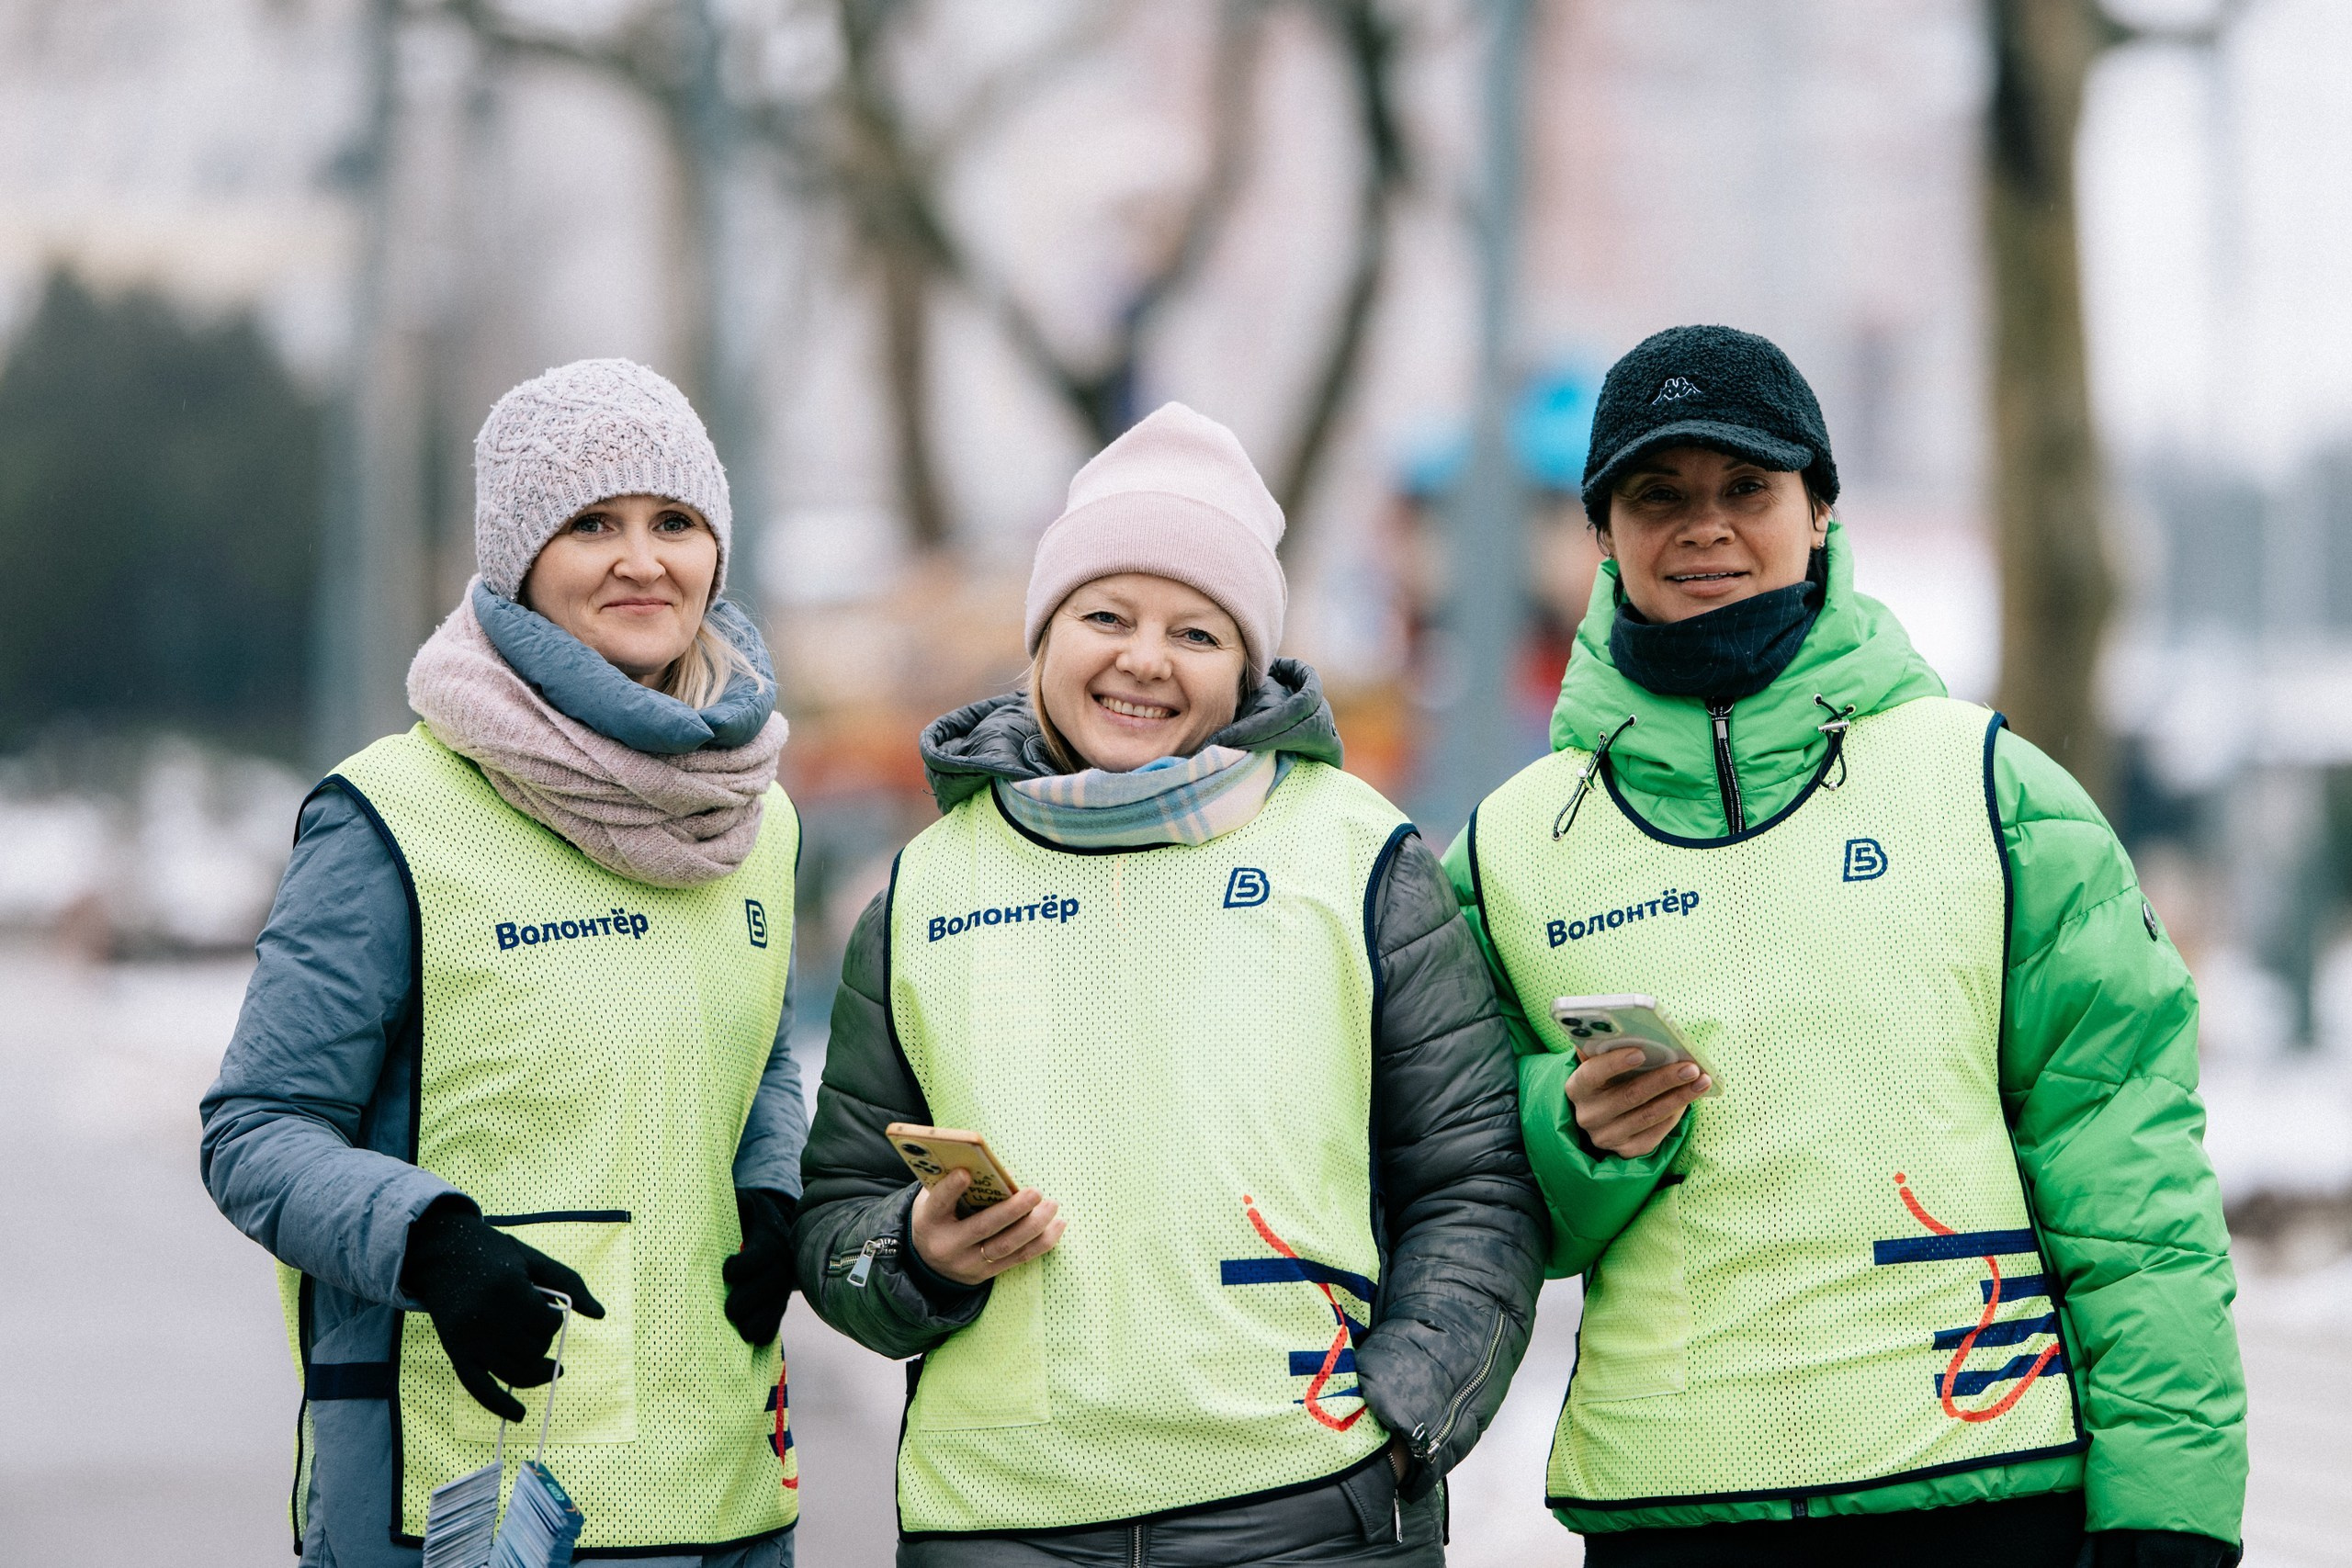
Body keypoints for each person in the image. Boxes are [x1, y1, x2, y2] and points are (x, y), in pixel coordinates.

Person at [1445, 326, 2247, 1567]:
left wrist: (2170, 1505)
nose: (1705, 525)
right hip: (1674, 1508)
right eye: (1659, 494)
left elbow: (2128, 1173)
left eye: (1748, 489)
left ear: (1819, 509)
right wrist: (1573, 1125)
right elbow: (1453, 1167)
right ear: (1600, 533)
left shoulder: (1990, 792)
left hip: (1979, 1487)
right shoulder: (1510, 852)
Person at [796, 402, 1548, 1564]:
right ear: (1043, 640)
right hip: (1000, 1520)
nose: (1143, 659)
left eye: (1196, 632)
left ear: (1245, 665)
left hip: (1304, 1509)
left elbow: (1470, 1181)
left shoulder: (1356, 859)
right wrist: (913, 1255)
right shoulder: (924, 892)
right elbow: (837, 1215)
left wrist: (1402, 1422)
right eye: (1106, 615)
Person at [201, 359, 806, 1568]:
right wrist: (431, 1243)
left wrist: (774, 1184)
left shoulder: (757, 817)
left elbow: (757, 1053)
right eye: (594, 523)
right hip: (467, 1500)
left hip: (727, 1484)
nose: (643, 559)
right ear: (521, 561)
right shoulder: (391, 812)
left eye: (674, 521)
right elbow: (254, 1127)